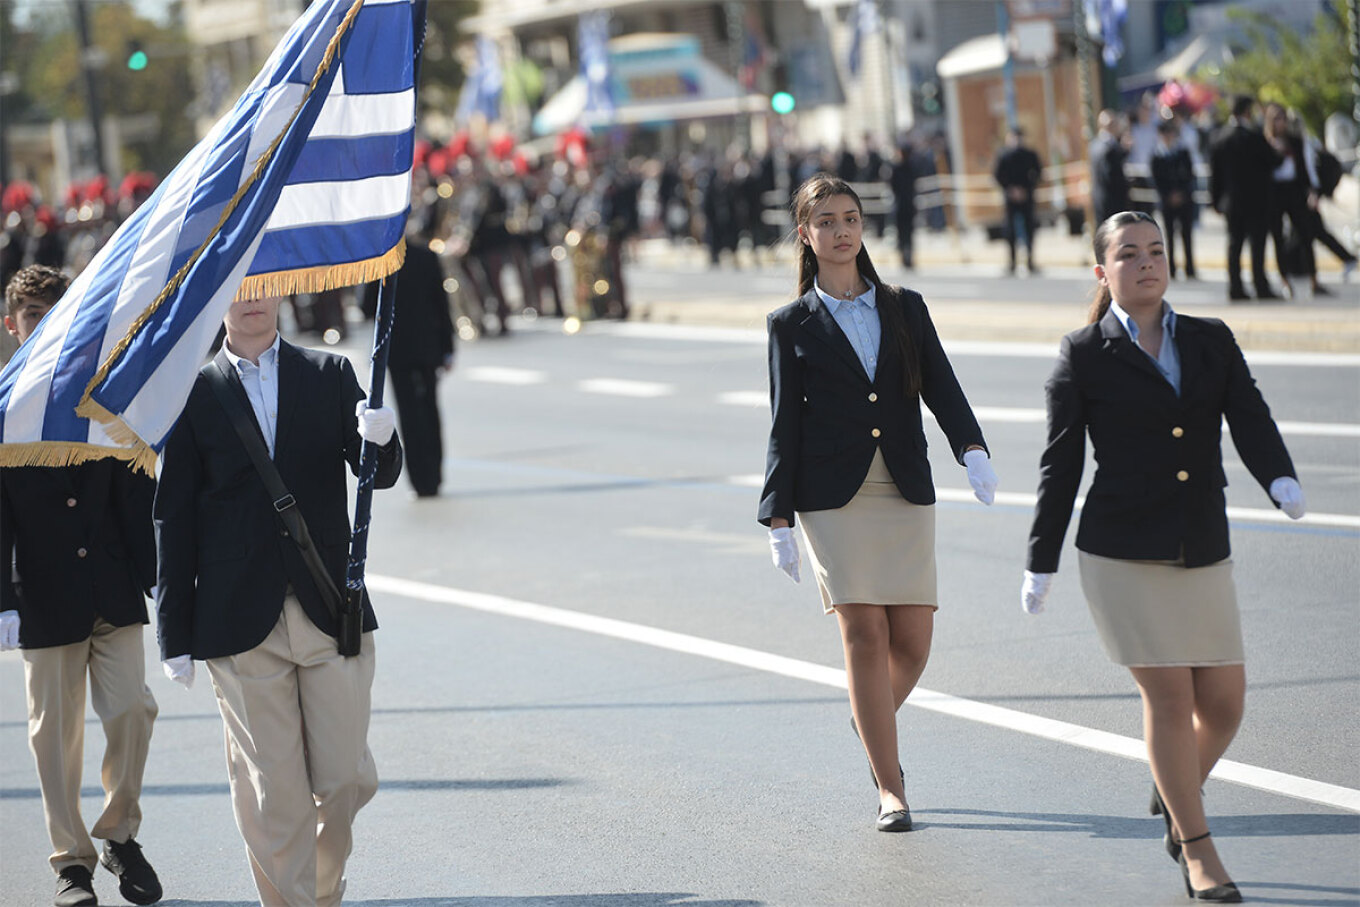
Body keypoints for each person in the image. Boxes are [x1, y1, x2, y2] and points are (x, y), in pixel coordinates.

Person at [1023, 210, 1305, 903]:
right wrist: (1041, 559)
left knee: (1226, 702)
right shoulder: (1084, 352)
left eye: (1156, 251)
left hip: (1200, 540)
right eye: (1128, 254)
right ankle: (1196, 843)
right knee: (1172, 697)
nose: (1146, 262)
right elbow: (1060, 465)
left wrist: (1280, 477)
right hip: (1120, 552)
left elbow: (1251, 417)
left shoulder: (1210, 339)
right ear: (1102, 271)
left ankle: (1174, 782)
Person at [758, 173, 998, 833]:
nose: (841, 231)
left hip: (903, 485)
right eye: (827, 221)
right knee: (865, 632)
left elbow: (941, 383)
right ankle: (891, 787)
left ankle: (870, 719)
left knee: (913, 643)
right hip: (830, 496)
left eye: (850, 218)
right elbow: (784, 424)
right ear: (805, 234)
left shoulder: (903, 305)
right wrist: (776, 514)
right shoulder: (790, 324)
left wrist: (970, 447)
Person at [154, 294, 403, 906]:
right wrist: (173, 634)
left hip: (328, 609)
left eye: (261, 286)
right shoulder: (192, 392)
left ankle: (321, 886)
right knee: (277, 795)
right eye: (236, 291)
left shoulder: (329, 373)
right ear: (218, 304)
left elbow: (377, 474)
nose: (250, 302)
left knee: (345, 777)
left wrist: (384, 438)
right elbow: (173, 517)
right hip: (237, 619)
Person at [1, 265, 163, 907]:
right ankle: (72, 862)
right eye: (30, 315)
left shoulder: (104, 396)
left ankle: (120, 834)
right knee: (53, 731)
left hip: (113, 587)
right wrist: (2, 601)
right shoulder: (4, 405)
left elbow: (136, 495)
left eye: (51, 312)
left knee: (132, 709)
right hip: (41, 598)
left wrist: (163, 584)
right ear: (11, 325)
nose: (40, 324)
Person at [362, 226, 456, 498]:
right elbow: (442, 306)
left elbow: (367, 308)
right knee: (429, 409)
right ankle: (436, 475)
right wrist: (448, 348)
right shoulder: (426, 256)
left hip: (397, 349)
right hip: (428, 346)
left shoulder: (382, 263)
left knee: (409, 413)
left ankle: (420, 480)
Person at [1210, 96, 1281, 300]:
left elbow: (1215, 175)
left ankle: (1235, 287)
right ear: (1247, 112)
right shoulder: (1254, 136)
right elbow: (1273, 161)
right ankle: (1260, 285)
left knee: (1234, 245)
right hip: (1257, 202)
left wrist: (1215, 201)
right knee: (1257, 246)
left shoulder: (1220, 137)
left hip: (1232, 202)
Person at [1150, 118, 1197, 279]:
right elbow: (1156, 180)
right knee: (1169, 235)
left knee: (1187, 234)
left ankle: (1190, 267)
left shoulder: (1183, 153)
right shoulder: (1157, 156)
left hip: (1184, 199)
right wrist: (1168, 195)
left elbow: (1190, 175)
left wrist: (1182, 193)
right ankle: (1172, 268)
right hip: (1167, 201)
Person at [992, 127, 1042, 275]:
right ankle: (1012, 262)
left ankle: (1030, 261)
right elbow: (998, 175)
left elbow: (1038, 173)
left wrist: (1027, 189)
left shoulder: (1030, 154)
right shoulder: (1004, 155)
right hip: (1010, 198)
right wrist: (1010, 190)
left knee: (1029, 229)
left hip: (1027, 196)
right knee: (1010, 231)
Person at [1090, 109, 1132, 224]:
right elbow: (1111, 175)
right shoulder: (1109, 148)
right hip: (1112, 200)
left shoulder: (1094, 145)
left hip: (1100, 198)